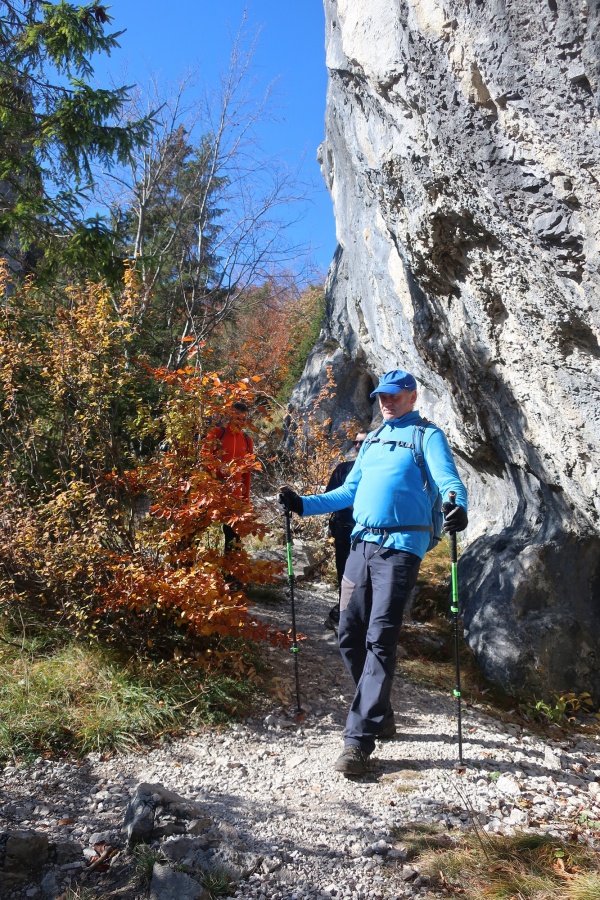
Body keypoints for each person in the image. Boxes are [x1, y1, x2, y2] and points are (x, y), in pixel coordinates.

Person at [278, 369, 468, 776]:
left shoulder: (427, 436)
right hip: (360, 547)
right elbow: (350, 491)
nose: (386, 401)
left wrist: (457, 504)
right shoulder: (376, 439)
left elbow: (449, 481)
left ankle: (358, 741)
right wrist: (304, 504)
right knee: (348, 633)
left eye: (395, 395)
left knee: (380, 637)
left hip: (401, 549)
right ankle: (380, 714)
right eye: (382, 396)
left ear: (412, 396)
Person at [325, 431, 368, 632]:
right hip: (344, 529)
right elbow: (330, 496)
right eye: (355, 442)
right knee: (345, 575)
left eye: (362, 442)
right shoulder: (343, 469)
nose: (358, 446)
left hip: (371, 534)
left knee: (367, 578)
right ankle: (343, 619)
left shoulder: (379, 471)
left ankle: (358, 619)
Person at [206, 401, 254, 553]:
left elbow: (247, 473)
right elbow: (205, 457)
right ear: (230, 416)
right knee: (199, 531)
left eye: (244, 419)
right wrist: (218, 468)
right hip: (212, 494)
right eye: (238, 418)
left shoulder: (247, 440)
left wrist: (245, 501)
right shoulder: (217, 434)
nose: (242, 422)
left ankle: (231, 567)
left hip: (235, 497)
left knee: (233, 536)